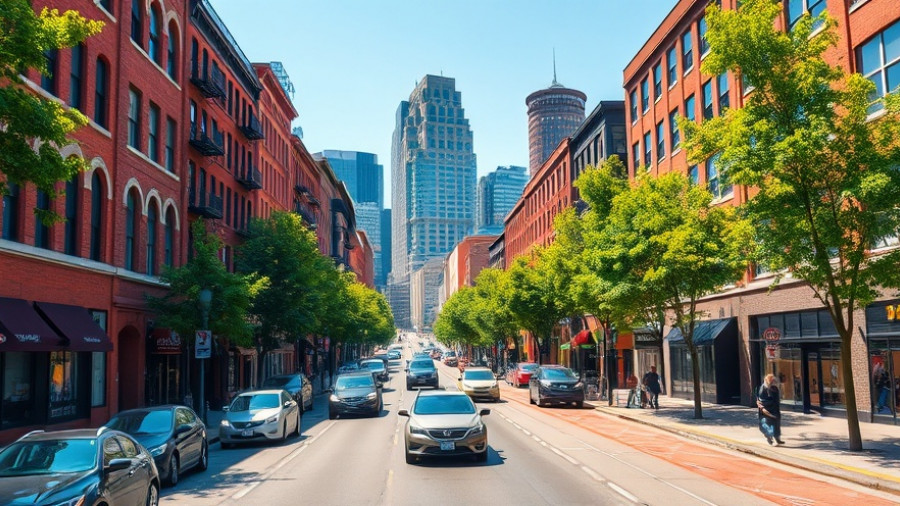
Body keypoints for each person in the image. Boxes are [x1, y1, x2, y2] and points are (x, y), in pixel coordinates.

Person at [757, 373, 784, 446]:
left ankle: (777, 438)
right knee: (767, 424)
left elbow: (776, 398)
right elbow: (762, 401)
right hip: (767, 410)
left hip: (775, 409)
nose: (774, 383)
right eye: (772, 381)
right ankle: (769, 438)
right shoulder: (763, 388)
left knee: (776, 423)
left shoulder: (774, 388)